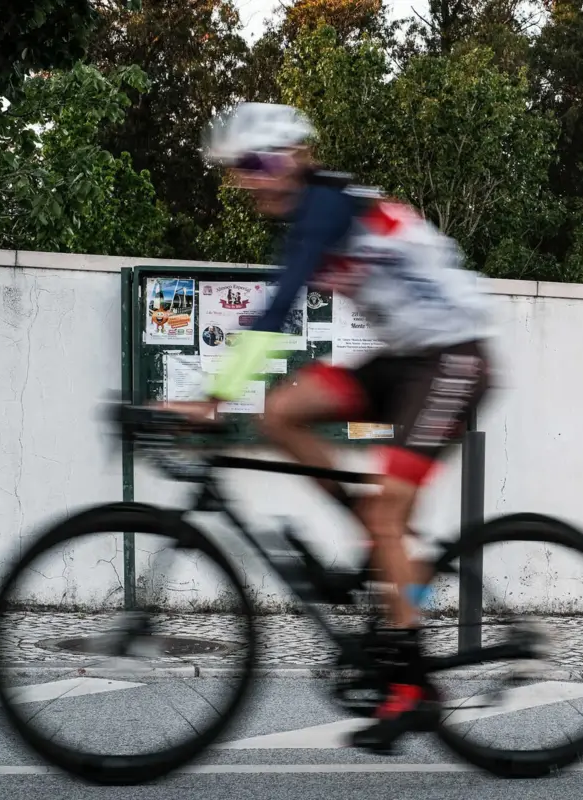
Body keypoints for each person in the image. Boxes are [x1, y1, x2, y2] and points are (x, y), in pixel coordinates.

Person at [170, 102, 495, 752]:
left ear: (294, 157)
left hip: (454, 357)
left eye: (260, 162)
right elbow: (283, 296)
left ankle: (413, 691)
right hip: (403, 358)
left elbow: (284, 298)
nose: (251, 178)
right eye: (242, 168)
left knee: (384, 512)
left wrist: (216, 393)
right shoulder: (304, 217)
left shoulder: (324, 206)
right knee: (280, 413)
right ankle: (377, 539)